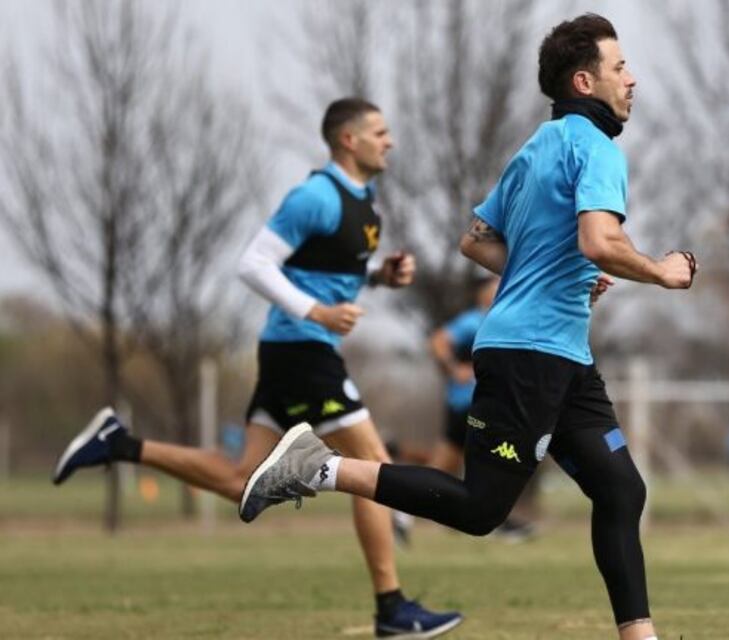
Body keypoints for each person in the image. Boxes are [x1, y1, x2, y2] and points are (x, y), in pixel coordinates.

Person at [239, 15, 696, 640]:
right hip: (530, 355)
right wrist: (663, 271)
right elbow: (600, 239)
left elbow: (476, 242)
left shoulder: (536, 148)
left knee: (620, 490)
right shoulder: (596, 148)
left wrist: (552, 270)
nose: (632, 79)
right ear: (585, 81)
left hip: (561, 352)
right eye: (621, 68)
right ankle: (318, 467)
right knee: (482, 508)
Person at [51, 98, 463, 639]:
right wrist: (313, 312)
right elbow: (252, 263)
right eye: (380, 132)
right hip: (301, 348)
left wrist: (381, 277)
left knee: (240, 479)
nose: (390, 141)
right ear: (348, 140)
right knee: (373, 464)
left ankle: (119, 444)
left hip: (292, 351)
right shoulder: (317, 195)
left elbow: (328, 275)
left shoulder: (366, 203)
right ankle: (392, 610)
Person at [391, 275, 537, 544]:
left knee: (442, 467)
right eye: (493, 288)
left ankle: (402, 515)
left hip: (479, 405)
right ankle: (499, 522)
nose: (499, 292)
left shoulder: (507, 321)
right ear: (482, 295)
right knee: (497, 461)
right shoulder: (474, 320)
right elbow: (437, 341)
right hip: (470, 405)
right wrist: (453, 368)